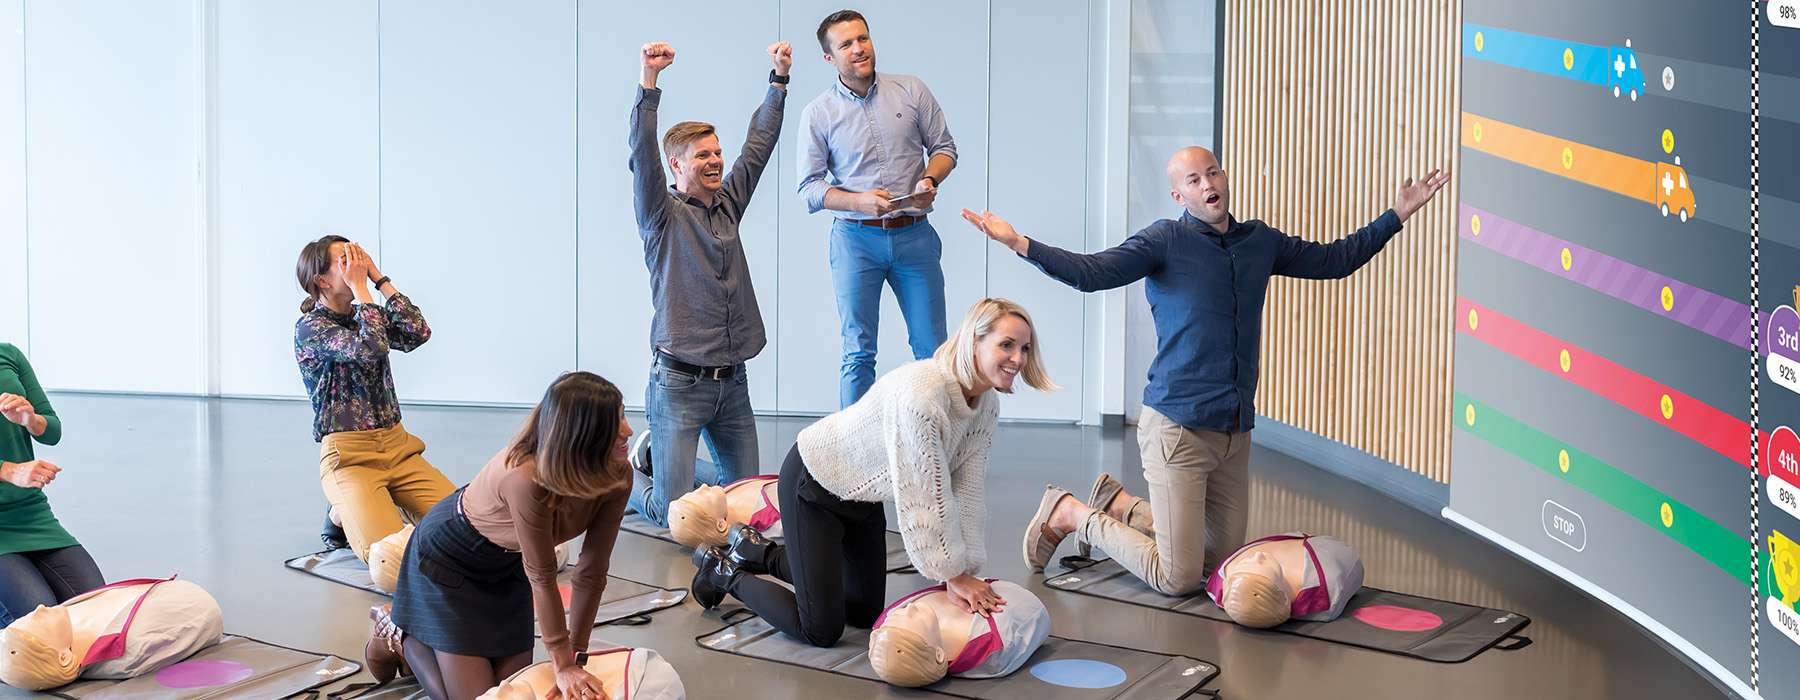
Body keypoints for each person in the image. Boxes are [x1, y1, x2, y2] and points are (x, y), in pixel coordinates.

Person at [963, 146, 1447, 595]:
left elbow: (1335, 260)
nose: (1206, 183)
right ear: (1180, 195)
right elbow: (1093, 272)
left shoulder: (1260, 241)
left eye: (1211, 172)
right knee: (1177, 577)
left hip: (1234, 431)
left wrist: (1397, 214)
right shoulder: (1164, 241)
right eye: (1192, 180)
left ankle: (1122, 505)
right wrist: (1018, 242)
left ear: (1224, 177)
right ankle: (1073, 514)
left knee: (1220, 564)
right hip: (1178, 427)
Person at [689, 298, 1055, 648]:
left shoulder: (985, 405)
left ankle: (758, 552)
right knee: (821, 629)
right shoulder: (923, 394)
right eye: (1006, 345)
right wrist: (952, 574)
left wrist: (969, 569)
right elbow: (924, 496)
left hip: (862, 499)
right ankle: (723, 571)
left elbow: (968, 490)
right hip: (814, 484)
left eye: (1024, 348)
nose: (1018, 359)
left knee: (864, 613)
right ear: (974, 340)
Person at [377, 372, 633, 700]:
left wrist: (576, 656)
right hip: (448, 563)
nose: (627, 430)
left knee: (512, 694)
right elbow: (543, 576)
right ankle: (399, 632)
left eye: (623, 414)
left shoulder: (619, 474)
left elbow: (592, 571)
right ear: (581, 434)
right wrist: (562, 664)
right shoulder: (526, 478)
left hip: (507, 568)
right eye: (614, 422)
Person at [626, 40, 791, 528]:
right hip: (678, 382)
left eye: (718, 152)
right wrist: (648, 83)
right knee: (673, 514)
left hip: (731, 381)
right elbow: (640, 153)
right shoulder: (661, 214)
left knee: (747, 506)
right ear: (677, 166)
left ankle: (657, 455)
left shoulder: (728, 203)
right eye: (703, 155)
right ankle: (621, 475)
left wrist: (778, 80)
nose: (716, 161)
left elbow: (758, 148)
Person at [798, 9, 959, 407]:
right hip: (855, 240)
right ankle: (851, 454)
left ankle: (934, 439)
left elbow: (945, 149)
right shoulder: (818, 113)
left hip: (915, 237)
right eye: (846, 44)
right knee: (858, 352)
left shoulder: (911, 90)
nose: (858, 49)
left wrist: (929, 180)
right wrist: (858, 201)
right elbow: (810, 189)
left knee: (933, 351)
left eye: (863, 39)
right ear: (829, 58)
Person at [294, 236, 455, 563]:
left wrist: (379, 280)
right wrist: (363, 290)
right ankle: (350, 506)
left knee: (466, 526)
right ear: (321, 280)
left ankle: (363, 506)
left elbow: (417, 333)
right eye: (345, 260)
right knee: (390, 559)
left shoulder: (366, 312)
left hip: (399, 448)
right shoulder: (311, 327)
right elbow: (371, 349)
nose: (356, 264)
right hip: (350, 456)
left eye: (358, 256)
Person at [0, 343, 103, 628]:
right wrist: (9, 471)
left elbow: (52, 430)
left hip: (30, 513)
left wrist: (30, 420)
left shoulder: (9, 354)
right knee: (42, 628)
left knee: (97, 612)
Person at [0, 577, 223, 690]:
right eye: (36, 623)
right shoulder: (132, 647)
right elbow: (199, 606)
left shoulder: (67, 623)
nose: (40, 609)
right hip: (190, 599)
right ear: (64, 656)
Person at [868, 580, 1050, 687]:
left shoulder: (885, 621)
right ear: (939, 655)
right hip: (1011, 598)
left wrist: (955, 576)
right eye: (914, 619)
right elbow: (1035, 611)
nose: (909, 609)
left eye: (905, 611)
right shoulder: (992, 648)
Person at [1208, 533, 1364, 628]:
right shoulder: (1324, 592)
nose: (1258, 555)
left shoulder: (1222, 574)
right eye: (1262, 564)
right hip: (1330, 554)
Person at [475, 646, 684, 700]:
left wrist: (566, 665)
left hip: (644, 674)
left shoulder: (520, 685)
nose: (502, 686)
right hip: (643, 677)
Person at [665, 474, 781, 549]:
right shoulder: (773, 522)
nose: (704, 486)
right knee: (659, 509)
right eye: (706, 497)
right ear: (721, 524)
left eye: (695, 491)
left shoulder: (723, 496)